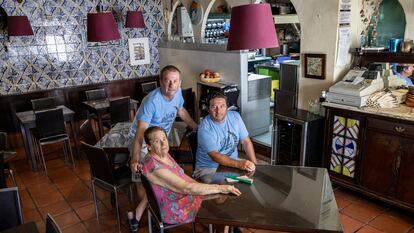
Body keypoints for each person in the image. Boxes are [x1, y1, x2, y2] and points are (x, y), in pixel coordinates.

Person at [127, 65, 198, 232]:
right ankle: (150, 214)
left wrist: (196, 127)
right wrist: (136, 158)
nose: (171, 85)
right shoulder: (152, 101)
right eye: (167, 81)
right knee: (144, 181)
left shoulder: (177, 93)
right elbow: (139, 135)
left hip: (160, 142)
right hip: (144, 141)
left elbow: (181, 111)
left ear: (179, 83)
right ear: (160, 82)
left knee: (161, 179)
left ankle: (141, 214)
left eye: (175, 81)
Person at [138, 126, 241, 225]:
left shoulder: (163, 155)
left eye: (164, 138)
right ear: (149, 146)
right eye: (157, 141)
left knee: (221, 197)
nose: (163, 143)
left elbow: (183, 176)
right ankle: (227, 227)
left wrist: (203, 187)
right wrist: (220, 188)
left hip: (182, 197)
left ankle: (230, 227)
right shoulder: (155, 167)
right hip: (176, 209)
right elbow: (186, 188)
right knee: (222, 205)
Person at [193, 92, 257, 183]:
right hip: (208, 169)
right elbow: (215, 156)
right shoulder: (204, 128)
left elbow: (246, 142)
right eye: (214, 107)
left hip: (231, 164)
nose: (218, 111)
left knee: (252, 177)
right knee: (229, 185)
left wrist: (255, 164)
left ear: (227, 107)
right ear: (208, 109)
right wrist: (239, 164)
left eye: (222, 106)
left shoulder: (235, 117)